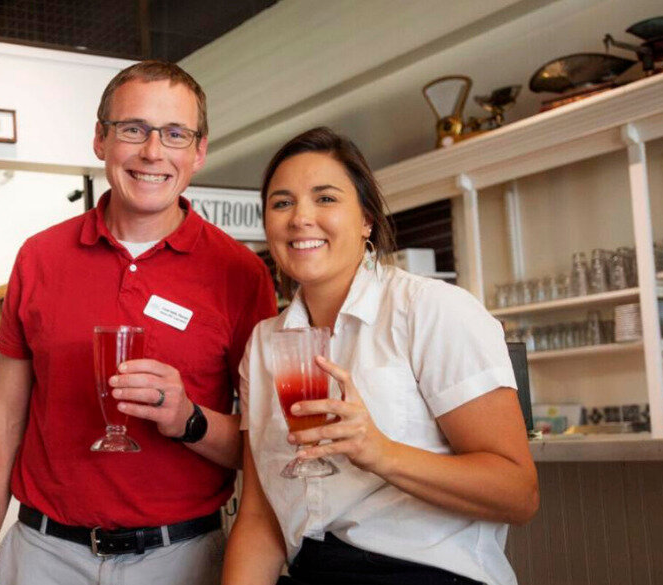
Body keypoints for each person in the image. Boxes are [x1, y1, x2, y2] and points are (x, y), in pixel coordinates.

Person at [0, 60, 279, 585]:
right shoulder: (39, 258)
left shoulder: (240, 274)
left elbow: (265, 443)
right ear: (100, 140)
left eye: (175, 134)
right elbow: (4, 417)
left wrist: (188, 418)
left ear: (198, 151)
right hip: (43, 555)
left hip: (183, 558)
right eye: (134, 129)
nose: (154, 152)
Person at [223, 127, 538, 585]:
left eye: (326, 198)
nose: (300, 218)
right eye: (282, 202)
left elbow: (519, 494)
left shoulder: (431, 310)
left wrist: (381, 453)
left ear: (366, 218)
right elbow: (259, 516)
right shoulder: (265, 344)